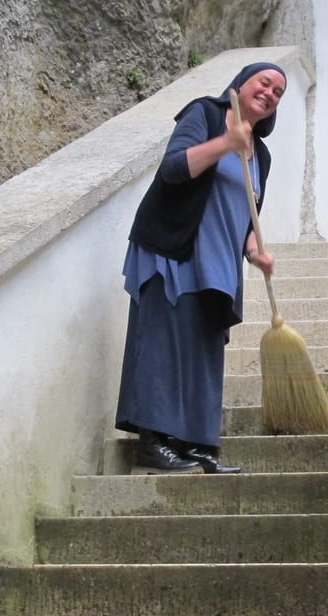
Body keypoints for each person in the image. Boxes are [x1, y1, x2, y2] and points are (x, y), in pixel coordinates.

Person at [114, 62, 287, 474]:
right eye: (264, 83)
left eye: (279, 92)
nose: (270, 93)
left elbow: (248, 215)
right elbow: (173, 168)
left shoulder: (261, 154)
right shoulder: (205, 115)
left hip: (218, 264)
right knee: (163, 343)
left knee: (203, 353)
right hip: (175, 247)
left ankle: (192, 445)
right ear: (242, 84)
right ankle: (154, 445)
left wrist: (254, 251)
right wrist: (225, 143)